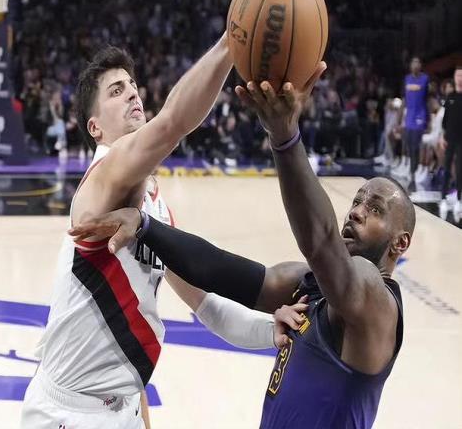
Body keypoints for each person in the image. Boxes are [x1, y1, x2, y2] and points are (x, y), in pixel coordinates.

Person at [72, 61, 414, 429]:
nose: (357, 212)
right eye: (357, 201)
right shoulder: (314, 285)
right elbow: (223, 271)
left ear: (401, 242)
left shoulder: (376, 300)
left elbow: (321, 242)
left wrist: (285, 137)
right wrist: (146, 227)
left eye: (375, 209)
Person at [20, 33, 303, 429]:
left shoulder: (155, 209)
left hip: (123, 407)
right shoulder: (102, 180)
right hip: (69, 413)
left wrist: (269, 329)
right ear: (94, 127)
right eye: (116, 91)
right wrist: (232, 41)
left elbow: (207, 306)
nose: (132, 93)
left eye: (132, 85)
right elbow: (172, 124)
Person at [394, 56, 429, 181]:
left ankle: (414, 172)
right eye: (413, 62)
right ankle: (410, 170)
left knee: (415, 145)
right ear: (410, 65)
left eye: (417, 62)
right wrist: (398, 119)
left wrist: (428, 121)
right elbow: (404, 99)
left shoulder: (425, 79)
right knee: (408, 144)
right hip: (409, 116)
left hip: (420, 116)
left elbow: (427, 99)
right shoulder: (407, 79)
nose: (415, 65)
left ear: (420, 65)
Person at [439, 66, 462, 219]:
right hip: (449, 139)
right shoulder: (450, 96)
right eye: (457, 75)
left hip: (461, 140)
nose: (459, 78)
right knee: (446, 168)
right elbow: (445, 121)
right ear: (454, 78)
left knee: (460, 169)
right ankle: (443, 198)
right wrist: (442, 136)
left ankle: (459, 199)